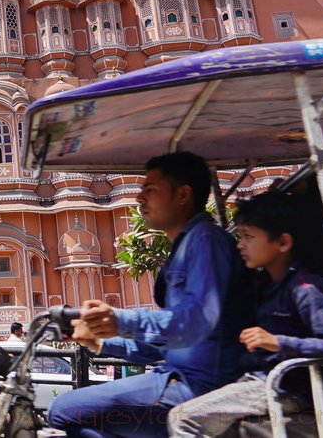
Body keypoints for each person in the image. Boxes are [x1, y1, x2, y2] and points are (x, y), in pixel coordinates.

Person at [47, 151, 253, 437]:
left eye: (150, 190)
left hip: (198, 384)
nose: (140, 198)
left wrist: (120, 320)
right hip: (176, 376)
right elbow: (167, 344)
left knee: (63, 410)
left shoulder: (205, 240)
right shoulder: (186, 247)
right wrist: (102, 343)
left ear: (183, 195)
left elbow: (194, 322)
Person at [168, 192, 323, 437]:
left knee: (183, 420)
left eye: (248, 237)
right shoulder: (264, 287)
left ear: (283, 243)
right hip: (256, 381)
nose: (240, 244)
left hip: (284, 387)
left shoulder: (307, 289)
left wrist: (277, 342)